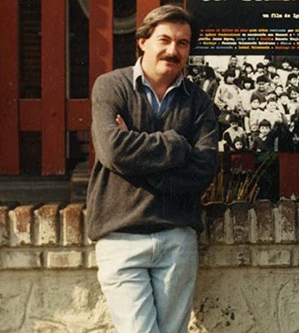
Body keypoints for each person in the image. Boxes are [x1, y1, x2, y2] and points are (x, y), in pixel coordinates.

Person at [86, 5, 218, 333]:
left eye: (183, 43)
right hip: (121, 236)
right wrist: (176, 145)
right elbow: (113, 151)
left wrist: (137, 156)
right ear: (143, 41)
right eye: (165, 39)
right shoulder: (111, 87)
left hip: (176, 238)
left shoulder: (198, 102)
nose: (173, 50)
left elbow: (204, 169)